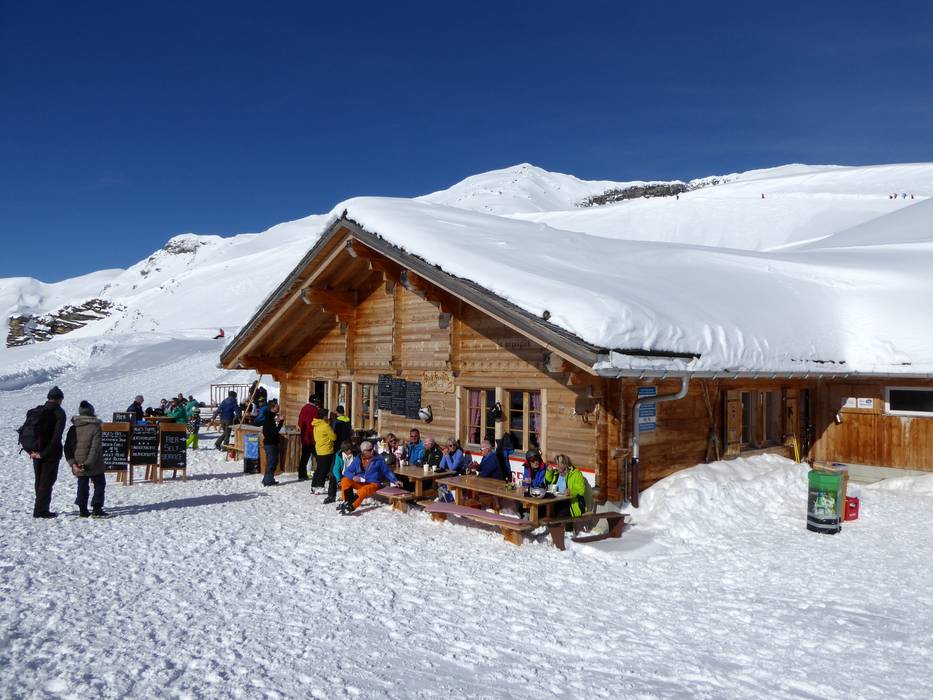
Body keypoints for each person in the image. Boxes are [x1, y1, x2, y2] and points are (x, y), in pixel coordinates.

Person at [63, 400, 109, 518]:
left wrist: (73, 464)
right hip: (94, 463)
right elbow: (95, 449)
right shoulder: (95, 427)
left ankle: (83, 510)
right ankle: (97, 509)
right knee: (99, 484)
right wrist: (88, 464)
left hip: (77, 463)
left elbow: (67, 448)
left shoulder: (73, 428)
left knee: (82, 485)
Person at [28, 386, 67, 518]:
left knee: (39, 481)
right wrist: (44, 453)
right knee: (47, 481)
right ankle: (41, 511)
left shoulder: (39, 410)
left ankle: (40, 508)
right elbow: (56, 437)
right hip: (50, 453)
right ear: (59, 399)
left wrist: (33, 452)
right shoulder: (59, 413)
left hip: (35, 450)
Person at [338, 440, 401, 515]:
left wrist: (395, 480)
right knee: (345, 480)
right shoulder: (358, 459)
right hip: (361, 482)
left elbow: (387, 471)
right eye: (369, 450)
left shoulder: (378, 459)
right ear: (363, 451)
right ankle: (347, 501)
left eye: (372, 449)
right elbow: (347, 472)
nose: (372, 451)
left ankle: (351, 506)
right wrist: (353, 477)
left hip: (374, 484)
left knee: (363, 491)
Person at [544, 454, 592, 518]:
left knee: (560, 515)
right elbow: (547, 483)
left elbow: (581, 491)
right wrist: (549, 472)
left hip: (571, 504)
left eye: (560, 463)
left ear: (565, 464)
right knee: (542, 511)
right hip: (555, 501)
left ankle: (566, 525)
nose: (557, 466)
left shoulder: (575, 474)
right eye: (556, 464)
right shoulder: (556, 473)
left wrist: (570, 491)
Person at [310, 411, 336, 494]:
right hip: (326, 450)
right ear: (324, 417)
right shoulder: (325, 426)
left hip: (319, 449)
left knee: (319, 469)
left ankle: (314, 485)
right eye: (327, 416)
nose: (328, 417)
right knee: (324, 470)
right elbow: (333, 437)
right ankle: (320, 486)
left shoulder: (316, 425)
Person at [297, 396, 320, 481]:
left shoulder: (304, 408)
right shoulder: (314, 410)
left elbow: (300, 423)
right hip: (312, 437)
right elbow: (317, 422)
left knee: (304, 457)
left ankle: (301, 475)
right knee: (319, 457)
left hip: (304, 437)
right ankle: (321, 474)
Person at [261, 400, 283, 486]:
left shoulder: (272, 416)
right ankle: (268, 481)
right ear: (273, 408)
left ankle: (267, 479)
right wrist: (281, 422)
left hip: (272, 442)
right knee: (272, 462)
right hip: (270, 443)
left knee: (273, 462)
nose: (279, 408)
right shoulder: (269, 417)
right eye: (277, 406)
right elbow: (274, 431)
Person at [329, 439, 356, 505]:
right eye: (348, 449)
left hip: (351, 474)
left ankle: (348, 497)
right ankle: (331, 496)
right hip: (341, 473)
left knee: (347, 481)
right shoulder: (339, 455)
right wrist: (338, 480)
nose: (350, 451)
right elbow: (336, 469)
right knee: (332, 477)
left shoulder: (355, 455)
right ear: (344, 450)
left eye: (351, 449)